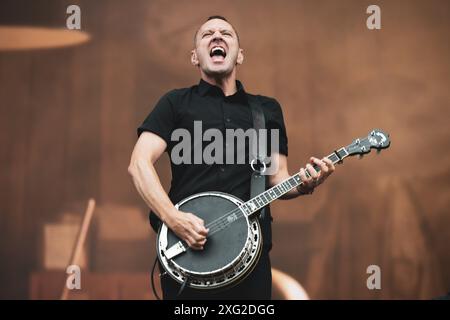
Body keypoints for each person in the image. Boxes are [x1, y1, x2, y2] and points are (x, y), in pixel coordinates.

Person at [128, 15, 335, 299]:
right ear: (194, 57)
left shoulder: (266, 111)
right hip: (189, 256)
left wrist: (305, 183)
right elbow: (139, 164)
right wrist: (172, 218)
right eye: (207, 34)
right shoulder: (174, 103)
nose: (217, 37)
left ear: (239, 55)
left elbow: (278, 179)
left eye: (226, 33)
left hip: (250, 261)